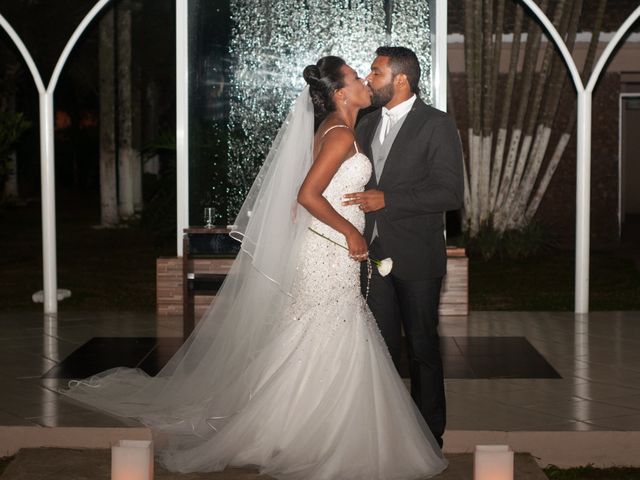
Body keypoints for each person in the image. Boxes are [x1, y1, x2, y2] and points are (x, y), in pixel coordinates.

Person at [62, 56, 447, 480]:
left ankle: (303, 426)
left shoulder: (346, 129)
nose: (365, 82)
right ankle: (310, 431)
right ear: (340, 93)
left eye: (367, 75)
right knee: (326, 332)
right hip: (331, 250)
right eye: (358, 77)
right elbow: (307, 194)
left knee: (318, 335)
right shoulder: (340, 134)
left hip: (330, 251)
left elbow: (318, 194)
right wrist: (351, 234)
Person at [343, 46, 464, 448]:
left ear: (400, 79)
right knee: (380, 351)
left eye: (375, 73)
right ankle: (386, 433)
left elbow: (449, 193)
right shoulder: (365, 123)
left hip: (416, 256)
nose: (368, 78)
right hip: (370, 256)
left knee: (423, 349)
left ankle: (429, 436)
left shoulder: (437, 124)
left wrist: (388, 199)